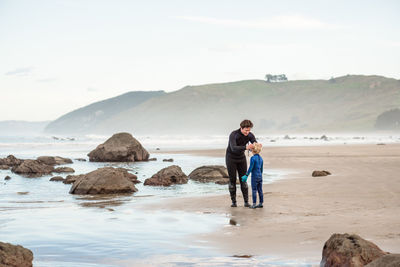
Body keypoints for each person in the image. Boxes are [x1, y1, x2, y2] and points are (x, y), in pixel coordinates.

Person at [225, 119, 258, 207]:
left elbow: (255, 143)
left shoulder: (250, 135)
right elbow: (233, 148)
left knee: (243, 180)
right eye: (246, 130)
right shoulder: (233, 134)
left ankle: (246, 202)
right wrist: (246, 147)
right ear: (241, 128)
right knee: (232, 180)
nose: (247, 132)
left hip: (241, 158)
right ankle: (234, 202)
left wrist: (257, 146)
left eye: (249, 130)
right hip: (231, 158)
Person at [241, 143, 264, 209]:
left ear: (253, 150)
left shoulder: (253, 158)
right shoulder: (261, 158)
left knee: (254, 190)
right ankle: (261, 203)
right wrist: (260, 175)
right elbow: (261, 169)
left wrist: (246, 175)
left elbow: (251, 168)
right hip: (260, 176)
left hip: (254, 176)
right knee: (260, 190)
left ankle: (254, 204)